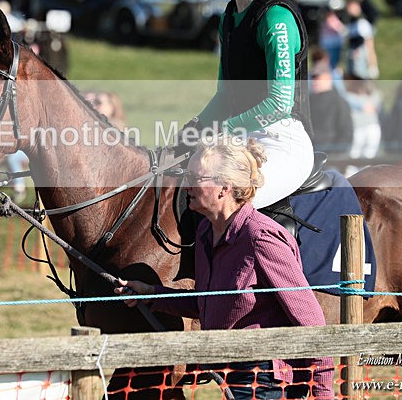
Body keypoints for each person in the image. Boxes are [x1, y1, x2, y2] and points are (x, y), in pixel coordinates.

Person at [116, 140, 334, 400]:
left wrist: (323, 394)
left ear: (225, 188)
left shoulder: (261, 238)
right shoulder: (205, 233)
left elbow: (311, 321)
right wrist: (151, 294)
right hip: (231, 374)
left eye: (196, 178)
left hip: (264, 377)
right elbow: (207, 304)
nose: (187, 186)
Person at [187, 0, 314, 211]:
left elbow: (279, 103)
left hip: (281, 142)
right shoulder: (229, 16)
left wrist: (221, 129)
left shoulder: (276, 18)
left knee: (227, 199)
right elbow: (225, 96)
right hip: (240, 138)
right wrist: (194, 129)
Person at [309, 60, 353, 159]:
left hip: (332, 157)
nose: (314, 81)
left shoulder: (339, 102)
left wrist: (334, 156)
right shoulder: (307, 101)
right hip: (310, 155)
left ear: (328, 78)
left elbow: (346, 133)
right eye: (312, 77)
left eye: (318, 77)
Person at [344, 0, 378, 80]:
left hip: (362, 60)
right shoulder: (348, 25)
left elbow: (370, 46)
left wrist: (373, 65)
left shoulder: (363, 24)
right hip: (351, 59)